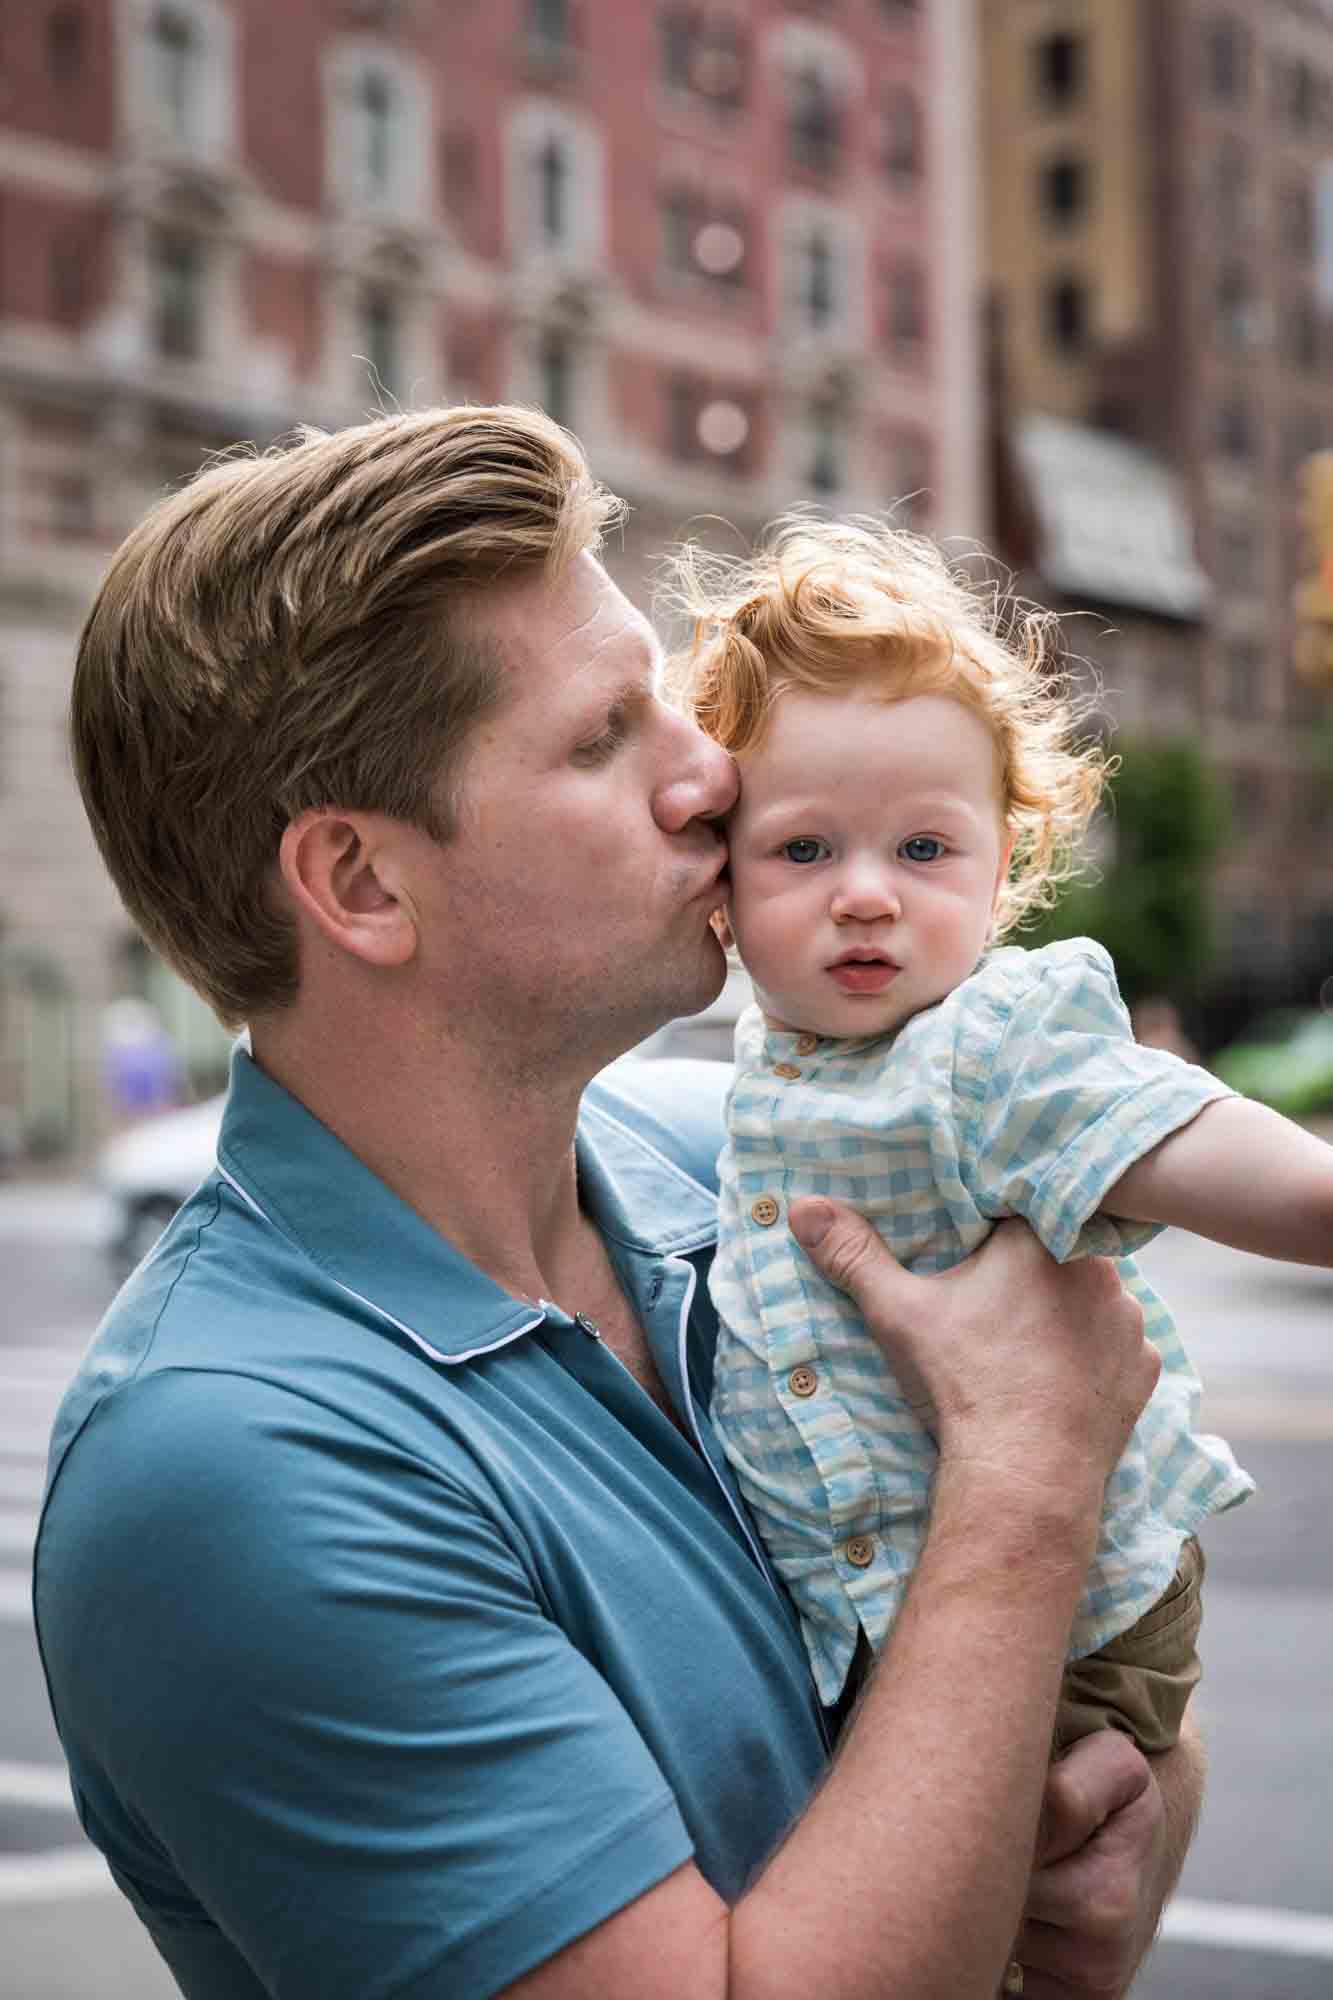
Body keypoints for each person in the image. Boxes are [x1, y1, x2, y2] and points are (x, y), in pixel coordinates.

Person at [37, 406, 1195, 2000]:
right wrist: (1019, 1485)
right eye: (604, 738)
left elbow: (1116, 1667)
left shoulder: (743, 1158)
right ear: (362, 884)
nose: (708, 772)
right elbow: (1045, 1473)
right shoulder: (230, 1468)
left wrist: (1122, 1817)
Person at [667, 515, 1333, 1755]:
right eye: (802, 847)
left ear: (1002, 865)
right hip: (890, 1629)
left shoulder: (989, 1046)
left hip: (1066, 1640)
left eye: (923, 847)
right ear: (718, 876)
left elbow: (1180, 1131)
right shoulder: (773, 1062)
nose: (866, 889)